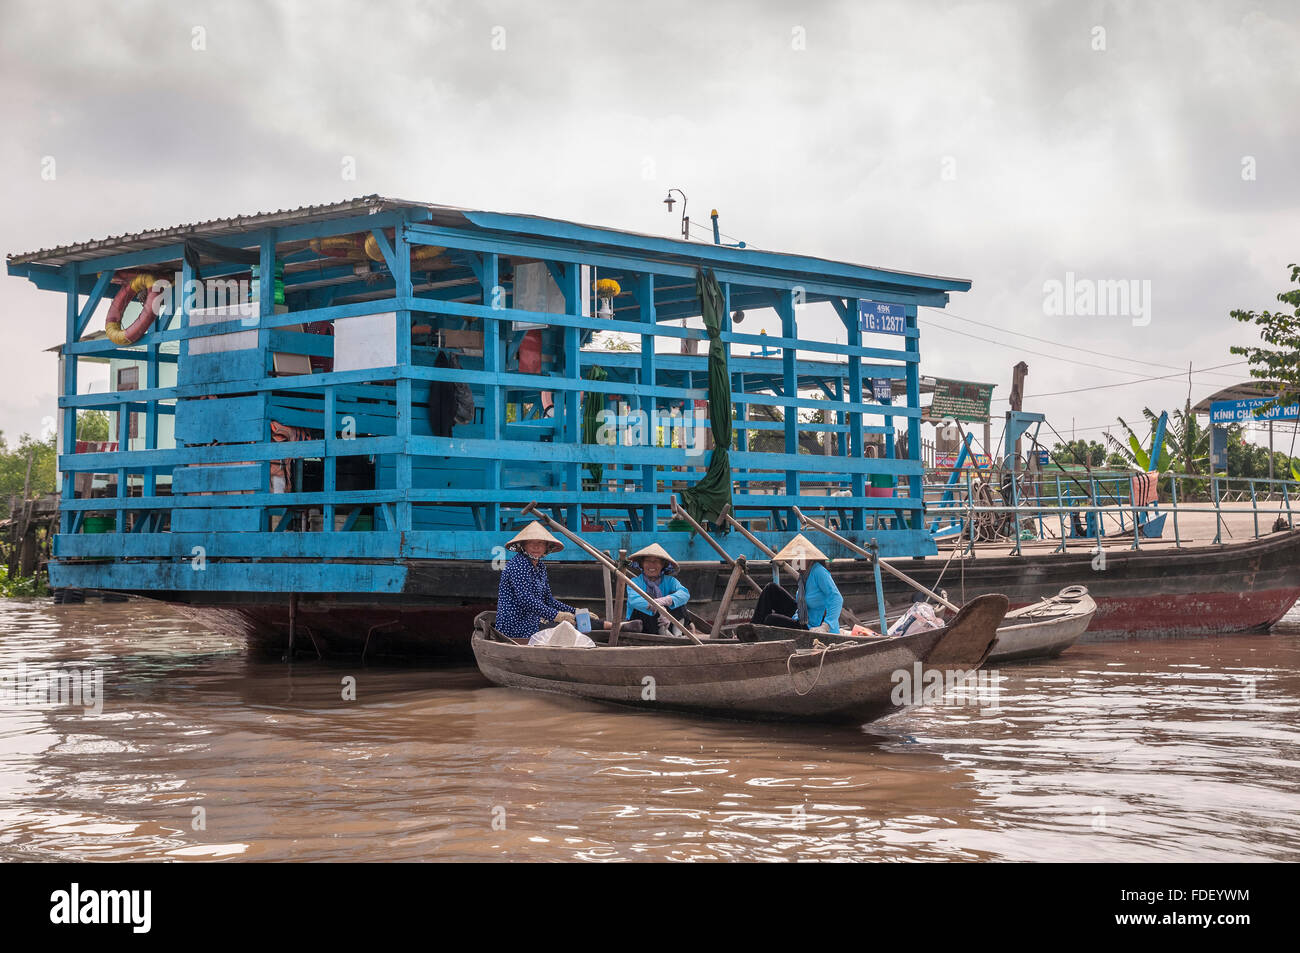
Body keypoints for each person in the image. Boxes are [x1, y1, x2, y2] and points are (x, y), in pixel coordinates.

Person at [494, 521, 630, 639]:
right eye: (531, 543)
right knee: (567, 626)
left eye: (540, 543)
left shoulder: (540, 567)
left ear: (546, 547)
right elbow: (526, 600)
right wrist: (556, 615)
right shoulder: (519, 564)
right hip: (516, 625)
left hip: (533, 621)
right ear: (523, 546)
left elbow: (548, 600)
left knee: (578, 620)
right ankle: (613, 626)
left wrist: (574, 611)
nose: (536, 547)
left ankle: (616, 626)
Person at [751, 534, 844, 633]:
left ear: (806, 558)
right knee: (771, 589)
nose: (792, 562)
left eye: (795, 558)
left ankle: (755, 632)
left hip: (813, 626)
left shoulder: (819, 572)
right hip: (801, 617)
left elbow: (836, 598)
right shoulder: (803, 576)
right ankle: (752, 628)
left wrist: (826, 626)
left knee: (771, 620)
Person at [625, 543, 690, 634]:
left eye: (656, 561)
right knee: (647, 606)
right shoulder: (635, 582)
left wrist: (665, 600)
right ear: (642, 564)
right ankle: (663, 633)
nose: (652, 565)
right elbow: (634, 600)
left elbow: (684, 593)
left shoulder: (670, 581)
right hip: (644, 623)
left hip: (668, 622)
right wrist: (659, 607)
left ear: (662, 565)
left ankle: (677, 634)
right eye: (648, 561)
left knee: (679, 603)